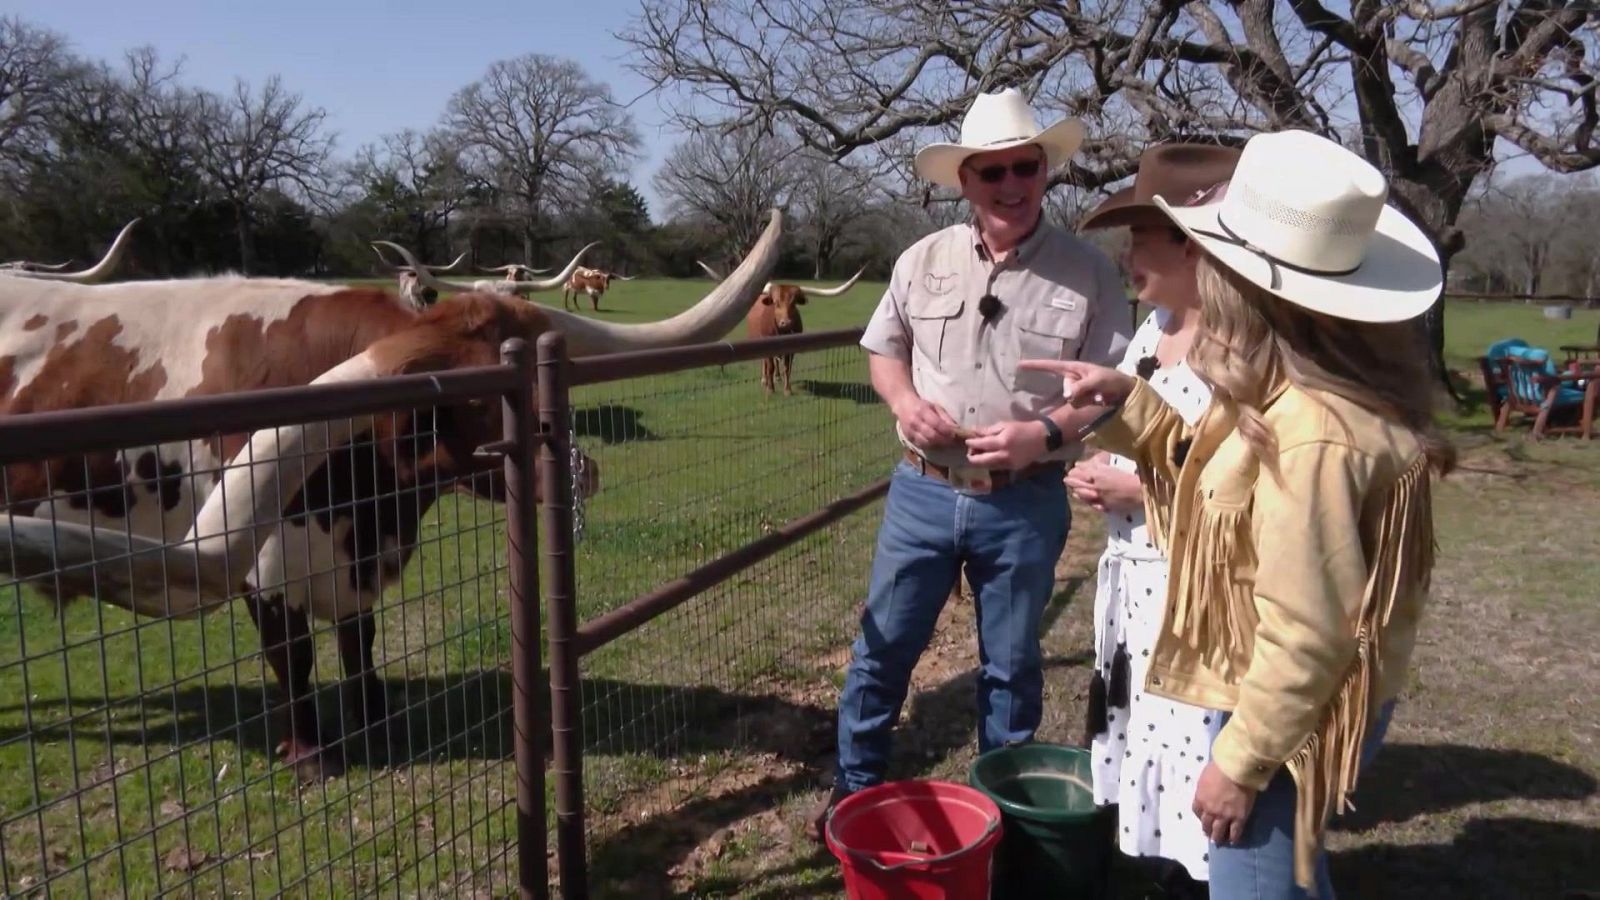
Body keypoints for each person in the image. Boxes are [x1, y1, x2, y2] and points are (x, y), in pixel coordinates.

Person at [1019, 129, 1452, 899]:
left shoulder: (1310, 429)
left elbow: (1310, 628)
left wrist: (1239, 762)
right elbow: (1230, 483)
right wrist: (1136, 408)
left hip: (1283, 712)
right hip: (1294, 703)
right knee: (1288, 871)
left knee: (1254, 882)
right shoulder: (1294, 389)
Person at [808, 87, 1132, 839]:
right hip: (922, 491)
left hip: (1023, 498)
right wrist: (901, 403)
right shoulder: (922, 260)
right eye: (992, 173)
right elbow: (882, 350)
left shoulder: (1090, 272)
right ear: (964, 182)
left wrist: (1043, 436)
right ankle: (852, 789)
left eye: (1026, 167)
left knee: (1012, 665)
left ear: (1045, 172)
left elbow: (1108, 388)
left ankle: (1005, 810)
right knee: (883, 649)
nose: (1011, 185)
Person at [1073, 143, 1241, 898]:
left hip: (1192, 596)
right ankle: (1151, 875)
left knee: (1191, 752)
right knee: (1143, 743)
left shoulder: (1245, 351)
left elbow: (1247, 484)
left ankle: (1198, 883)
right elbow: (1150, 436)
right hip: (1133, 582)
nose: (1128, 253)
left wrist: (1138, 492)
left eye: (1144, 236)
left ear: (1196, 245)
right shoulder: (1154, 329)